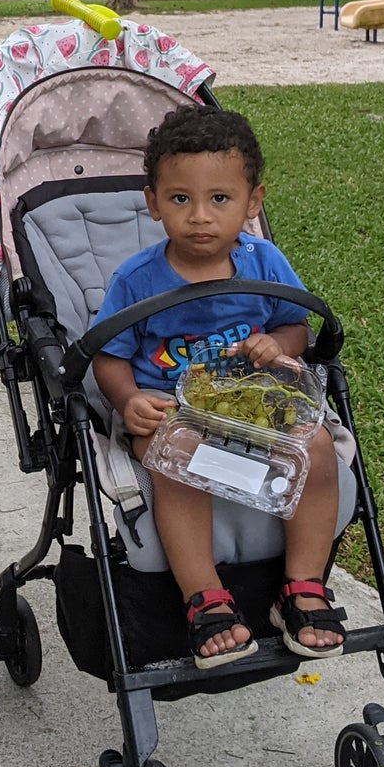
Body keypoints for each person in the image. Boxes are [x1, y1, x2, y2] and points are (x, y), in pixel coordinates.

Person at [91, 104, 344, 670]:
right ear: (153, 201)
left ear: (253, 202)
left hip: (255, 405)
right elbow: (109, 355)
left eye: (220, 199)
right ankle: (206, 599)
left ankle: (301, 588)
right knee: (172, 457)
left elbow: (296, 325)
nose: (200, 217)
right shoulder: (137, 278)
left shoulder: (264, 262)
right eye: (180, 199)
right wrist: (128, 399)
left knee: (320, 445)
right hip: (174, 414)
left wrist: (278, 345)